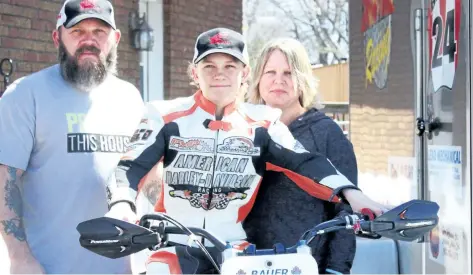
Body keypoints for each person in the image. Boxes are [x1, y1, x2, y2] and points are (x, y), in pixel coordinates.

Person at [105, 27, 387, 274]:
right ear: (194, 72)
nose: (220, 75)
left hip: (235, 254)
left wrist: (353, 194)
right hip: (173, 250)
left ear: (245, 73)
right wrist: (121, 205)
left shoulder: (263, 123)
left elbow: (305, 163)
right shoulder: (164, 114)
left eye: (230, 66)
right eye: (209, 66)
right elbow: (129, 168)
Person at [0, 0, 144, 273]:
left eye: (99, 32)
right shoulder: (25, 96)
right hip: (47, 267)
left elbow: (142, 172)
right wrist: (19, 257)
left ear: (115, 39)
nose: (89, 41)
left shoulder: (131, 98)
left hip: (123, 268)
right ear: (58, 37)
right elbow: (3, 182)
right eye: (77, 32)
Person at [243, 37, 358, 274]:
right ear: (257, 79)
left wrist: (336, 270)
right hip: (243, 262)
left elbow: (346, 211)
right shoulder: (241, 129)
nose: (279, 80)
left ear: (302, 79)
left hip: (305, 264)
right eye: (270, 72)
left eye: (288, 72)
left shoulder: (326, 133)